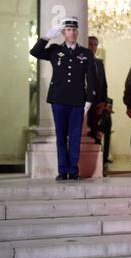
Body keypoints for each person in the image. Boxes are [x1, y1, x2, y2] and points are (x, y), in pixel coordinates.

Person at [30, 17, 97, 181]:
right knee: (60, 135)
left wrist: (89, 100)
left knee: (74, 136)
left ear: (77, 32)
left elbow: (92, 78)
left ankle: (73, 170)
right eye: (68, 30)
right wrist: (46, 37)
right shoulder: (55, 50)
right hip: (58, 99)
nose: (72, 33)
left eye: (74, 30)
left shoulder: (86, 53)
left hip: (77, 101)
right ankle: (62, 170)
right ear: (63, 32)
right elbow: (35, 52)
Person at [87, 36, 108, 144]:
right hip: (85, 103)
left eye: (95, 44)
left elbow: (104, 84)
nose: (93, 47)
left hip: (98, 104)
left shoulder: (99, 63)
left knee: (97, 135)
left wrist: (103, 102)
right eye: (90, 44)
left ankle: (98, 160)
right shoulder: (82, 60)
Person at [98, 98, 114, 166]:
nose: (110, 108)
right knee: (100, 141)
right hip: (103, 123)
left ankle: (105, 157)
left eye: (111, 106)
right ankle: (102, 158)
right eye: (109, 106)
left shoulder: (108, 114)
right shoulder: (103, 113)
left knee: (107, 141)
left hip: (107, 124)